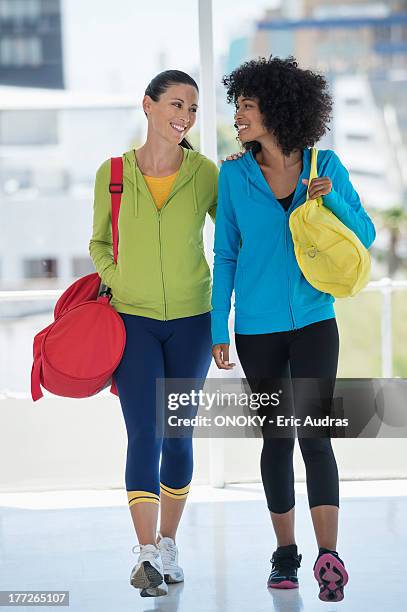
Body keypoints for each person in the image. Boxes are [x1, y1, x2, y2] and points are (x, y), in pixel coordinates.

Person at [211, 56, 376, 603]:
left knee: (315, 434)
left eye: (247, 107)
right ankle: (286, 553)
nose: (238, 115)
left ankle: (329, 556)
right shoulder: (233, 175)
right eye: (237, 106)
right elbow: (226, 254)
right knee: (276, 439)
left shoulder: (324, 164)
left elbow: (366, 233)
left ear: (278, 110)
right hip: (255, 328)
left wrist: (333, 199)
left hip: (313, 321)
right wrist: (219, 324)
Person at [89, 70, 218, 597]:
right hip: (132, 323)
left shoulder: (206, 173)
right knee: (144, 431)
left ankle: (168, 542)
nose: (184, 116)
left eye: (192, 108)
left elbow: (233, 235)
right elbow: (99, 242)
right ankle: (144, 556)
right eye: (175, 104)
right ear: (148, 105)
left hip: (192, 321)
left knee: (178, 433)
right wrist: (120, 282)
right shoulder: (113, 174)